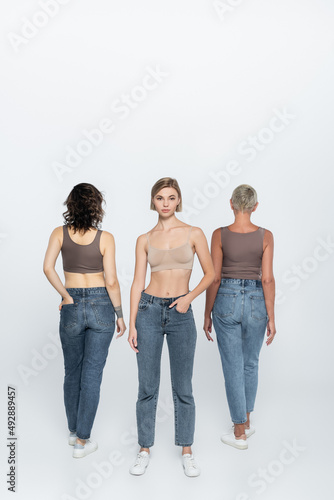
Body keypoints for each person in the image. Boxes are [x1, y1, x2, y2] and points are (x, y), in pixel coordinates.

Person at [128, 177, 215, 477]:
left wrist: (187, 299)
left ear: (178, 200)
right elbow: (138, 282)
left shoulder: (193, 232)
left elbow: (211, 273)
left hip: (181, 311)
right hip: (148, 311)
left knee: (183, 387)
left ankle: (187, 450)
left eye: (171, 197)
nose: (165, 203)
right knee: (147, 386)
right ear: (153, 201)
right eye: (160, 197)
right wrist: (132, 324)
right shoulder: (144, 239)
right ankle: (143, 449)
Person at [43, 183, 126, 458]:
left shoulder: (59, 233)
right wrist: (120, 315)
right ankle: (82, 441)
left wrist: (66, 295)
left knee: (72, 371)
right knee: (92, 375)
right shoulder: (106, 237)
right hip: (102, 304)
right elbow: (111, 280)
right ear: (96, 206)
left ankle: (72, 431)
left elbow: (47, 268)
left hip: (72, 305)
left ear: (71, 205)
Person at [204, 184, 276, 450]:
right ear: (255, 206)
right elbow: (267, 278)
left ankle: (238, 432)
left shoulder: (219, 235)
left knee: (232, 364)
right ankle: (245, 421)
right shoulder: (266, 235)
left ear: (231, 204)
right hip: (257, 299)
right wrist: (271, 316)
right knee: (250, 362)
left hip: (227, 298)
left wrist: (207, 313)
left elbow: (215, 278)